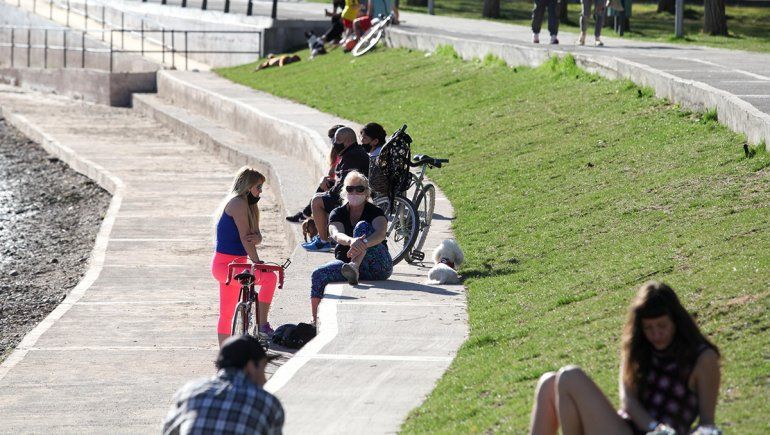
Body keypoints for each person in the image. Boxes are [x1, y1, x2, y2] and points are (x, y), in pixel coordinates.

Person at [529, 281, 722, 435]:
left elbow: (707, 422)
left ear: (676, 321)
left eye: (662, 326)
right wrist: (654, 428)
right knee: (549, 383)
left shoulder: (703, 358)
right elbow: (628, 401)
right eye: (649, 328)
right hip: (630, 428)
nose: (656, 334)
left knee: (570, 377)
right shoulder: (639, 348)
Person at [310, 171, 392, 323]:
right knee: (318, 274)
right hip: (345, 266)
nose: (354, 192)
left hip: (378, 266)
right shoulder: (338, 212)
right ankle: (315, 321)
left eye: (359, 189)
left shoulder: (375, 212)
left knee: (362, 226)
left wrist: (364, 243)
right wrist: (350, 241)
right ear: (344, 192)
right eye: (350, 189)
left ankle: (355, 265)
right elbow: (335, 234)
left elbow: (381, 233)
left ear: (367, 192)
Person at [162, 335, 284, 435]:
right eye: (263, 370)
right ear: (251, 367)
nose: (264, 380)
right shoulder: (267, 403)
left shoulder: (189, 392)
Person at [212, 167, 278, 346]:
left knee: (226, 314)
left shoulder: (248, 206)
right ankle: (263, 325)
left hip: (229, 265)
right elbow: (244, 238)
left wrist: (258, 238)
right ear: (248, 187)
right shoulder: (238, 203)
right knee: (270, 278)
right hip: (228, 266)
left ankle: (224, 356)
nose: (260, 192)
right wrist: (257, 262)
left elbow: (253, 237)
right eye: (258, 187)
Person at [303, 127, 370, 252]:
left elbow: (347, 183)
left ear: (348, 141)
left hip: (353, 195)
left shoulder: (352, 156)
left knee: (317, 200)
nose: (335, 143)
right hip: (352, 192)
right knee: (321, 195)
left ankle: (323, 241)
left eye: (338, 140)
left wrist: (328, 192)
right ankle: (324, 235)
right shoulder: (351, 152)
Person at [286, 124, 345, 223]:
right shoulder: (336, 153)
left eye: (334, 138)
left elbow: (339, 177)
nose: (332, 142)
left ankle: (305, 214)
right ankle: (305, 214)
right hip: (335, 185)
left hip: (341, 189)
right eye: (331, 138)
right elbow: (331, 174)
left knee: (323, 188)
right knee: (324, 184)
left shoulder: (344, 154)